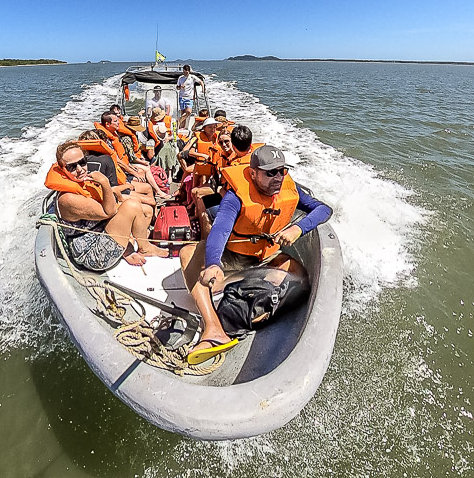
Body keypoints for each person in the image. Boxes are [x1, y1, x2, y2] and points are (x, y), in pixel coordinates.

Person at [178, 145, 332, 361]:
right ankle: (213, 328)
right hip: (233, 258)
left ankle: (246, 303)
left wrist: (297, 228)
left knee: (302, 281)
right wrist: (213, 263)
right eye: (271, 172)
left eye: (282, 171)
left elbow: (324, 209)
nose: (278, 177)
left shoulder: (290, 188)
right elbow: (220, 229)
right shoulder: (235, 197)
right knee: (187, 253)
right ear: (253, 173)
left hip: (266, 258)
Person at [45, 141, 161, 269]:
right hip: (91, 253)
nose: (79, 169)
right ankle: (145, 248)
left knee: (140, 207)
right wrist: (104, 182)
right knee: (132, 205)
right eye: (72, 167)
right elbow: (109, 212)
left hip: (99, 232)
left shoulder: (81, 183)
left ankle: (135, 248)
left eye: (82, 162)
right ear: (62, 168)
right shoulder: (68, 198)